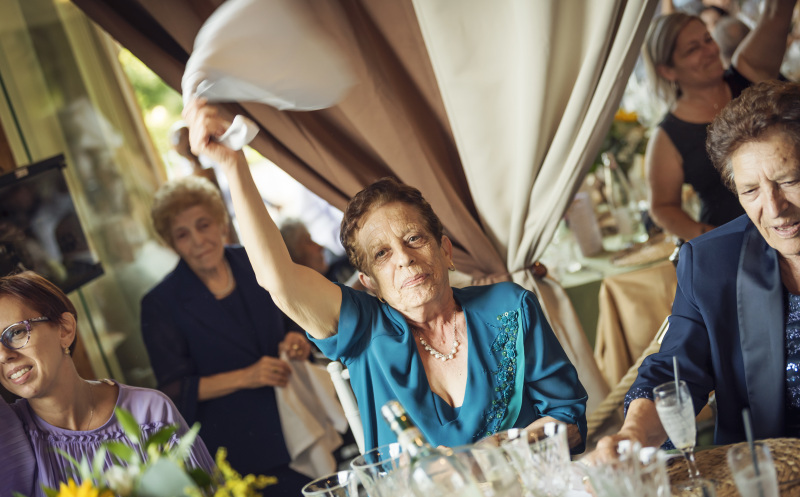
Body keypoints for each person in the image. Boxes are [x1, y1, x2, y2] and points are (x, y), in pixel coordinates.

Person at [183, 100, 589, 456]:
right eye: (382, 254)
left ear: (445, 251)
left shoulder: (510, 307)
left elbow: (568, 419)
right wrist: (233, 164)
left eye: (414, 239)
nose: (405, 259)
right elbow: (278, 279)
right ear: (369, 282)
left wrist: (503, 450)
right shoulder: (365, 329)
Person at [593, 80, 800, 461]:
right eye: (750, 190)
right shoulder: (711, 263)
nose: (773, 209)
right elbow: (674, 374)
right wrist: (634, 434)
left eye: (789, 180)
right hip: (767, 473)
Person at [140, 176, 321, 497]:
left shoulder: (255, 260)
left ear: (221, 223)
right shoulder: (160, 304)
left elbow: (293, 315)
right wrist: (247, 376)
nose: (198, 240)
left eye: (203, 225)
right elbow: (175, 389)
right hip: (241, 445)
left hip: (304, 417)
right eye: (183, 234)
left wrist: (298, 338)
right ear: (171, 243)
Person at [0, 271, 215, 497]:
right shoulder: (9, 438)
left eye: (15, 332)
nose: (3, 355)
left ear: (65, 329)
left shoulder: (150, 413)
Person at [642, 0, 793, 242]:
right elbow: (662, 207)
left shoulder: (746, 73)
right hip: (738, 243)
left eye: (708, 39)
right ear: (668, 71)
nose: (710, 51)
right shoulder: (667, 136)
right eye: (693, 49)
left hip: (791, 216)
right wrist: (716, 239)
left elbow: (777, 15)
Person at [280, 218, 359, 286]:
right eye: (309, 242)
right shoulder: (315, 295)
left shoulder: (339, 267)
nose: (321, 247)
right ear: (296, 259)